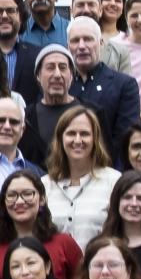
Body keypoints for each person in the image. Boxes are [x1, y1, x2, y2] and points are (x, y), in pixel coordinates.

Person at [0, 168, 82, 279]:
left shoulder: (64, 243)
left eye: (27, 194)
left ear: (42, 200)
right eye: (12, 195)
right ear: (4, 203)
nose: (20, 201)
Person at [40, 106, 121, 248]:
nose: (78, 140)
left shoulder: (113, 181)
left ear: (95, 138)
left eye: (84, 134)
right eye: (71, 133)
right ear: (60, 138)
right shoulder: (45, 184)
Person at [65, 17, 141, 149]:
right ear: (68, 46)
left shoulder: (124, 85)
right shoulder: (62, 86)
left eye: (88, 39)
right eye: (75, 40)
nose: (82, 46)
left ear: (101, 43)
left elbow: (125, 139)